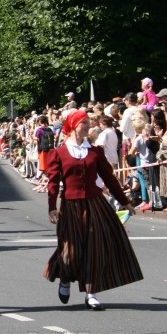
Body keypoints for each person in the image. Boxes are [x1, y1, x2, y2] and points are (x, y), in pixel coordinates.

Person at [44, 110, 142, 311]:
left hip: (94, 204)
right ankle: (65, 277)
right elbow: (53, 183)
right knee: (69, 251)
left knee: (94, 248)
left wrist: (125, 202)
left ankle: (91, 292)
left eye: (89, 122)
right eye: (84, 123)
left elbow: (109, 179)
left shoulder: (95, 152)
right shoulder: (59, 153)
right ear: (73, 126)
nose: (88, 126)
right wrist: (52, 207)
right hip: (70, 206)